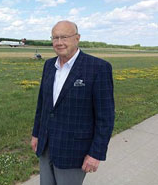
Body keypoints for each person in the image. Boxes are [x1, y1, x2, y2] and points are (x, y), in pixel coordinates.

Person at [31, 20, 115, 185]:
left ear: (77, 38)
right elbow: (42, 105)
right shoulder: (49, 65)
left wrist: (96, 153)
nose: (59, 42)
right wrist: (36, 134)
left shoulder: (98, 68)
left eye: (64, 37)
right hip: (46, 145)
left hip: (74, 151)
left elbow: (106, 117)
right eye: (55, 38)